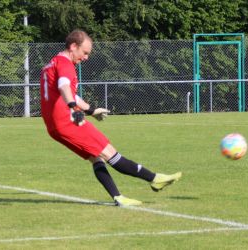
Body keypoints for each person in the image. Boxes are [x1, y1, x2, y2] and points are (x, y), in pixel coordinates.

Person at [40, 29, 182, 206]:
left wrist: (91, 110)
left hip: (54, 126)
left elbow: (68, 93)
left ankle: (118, 197)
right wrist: (73, 109)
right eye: (84, 53)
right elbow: (64, 86)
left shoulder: (52, 63)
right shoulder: (65, 63)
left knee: (96, 157)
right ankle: (154, 178)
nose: (86, 58)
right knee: (111, 154)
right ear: (73, 46)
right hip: (68, 121)